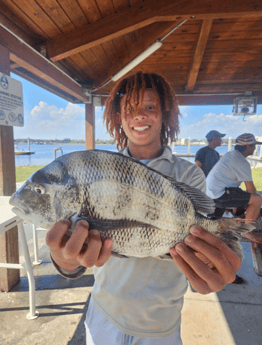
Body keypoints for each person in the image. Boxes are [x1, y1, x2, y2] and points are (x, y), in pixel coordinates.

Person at [46, 72, 242, 345]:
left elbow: (196, 234)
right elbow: (74, 249)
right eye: (129, 109)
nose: (139, 116)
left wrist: (210, 263)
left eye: (149, 107)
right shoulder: (99, 171)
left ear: (166, 116)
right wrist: (66, 260)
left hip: (161, 324)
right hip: (104, 313)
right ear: (118, 118)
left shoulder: (188, 175)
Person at [206, 132, 262, 242]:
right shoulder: (241, 161)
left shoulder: (231, 155)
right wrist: (256, 207)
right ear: (248, 146)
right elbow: (251, 190)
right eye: (254, 145)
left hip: (211, 193)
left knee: (214, 226)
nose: (255, 148)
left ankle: (239, 219)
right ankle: (247, 232)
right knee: (257, 199)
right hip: (219, 194)